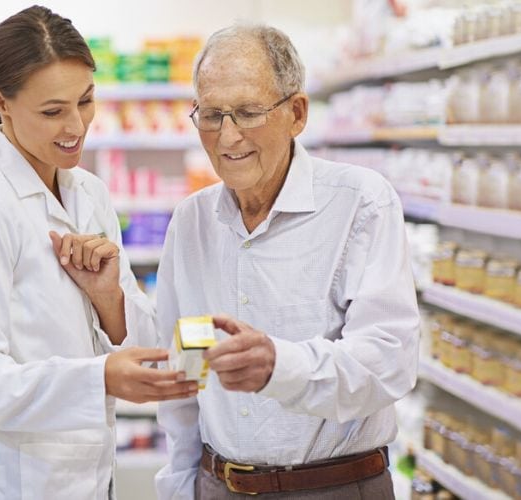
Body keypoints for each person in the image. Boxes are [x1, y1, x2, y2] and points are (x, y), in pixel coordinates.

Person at [0, 6, 197, 500]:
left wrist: (108, 300)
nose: (76, 125)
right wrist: (98, 379)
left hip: (91, 479)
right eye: (52, 111)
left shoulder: (88, 193)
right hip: (10, 485)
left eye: (86, 101)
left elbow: (141, 340)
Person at [154, 23, 419, 499]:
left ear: (296, 113)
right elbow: (187, 369)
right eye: (211, 115)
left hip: (336, 486)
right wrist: (179, 486)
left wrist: (281, 365)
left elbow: (387, 362)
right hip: (217, 485)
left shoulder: (360, 203)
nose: (227, 136)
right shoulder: (192, 222)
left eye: (248, 113)